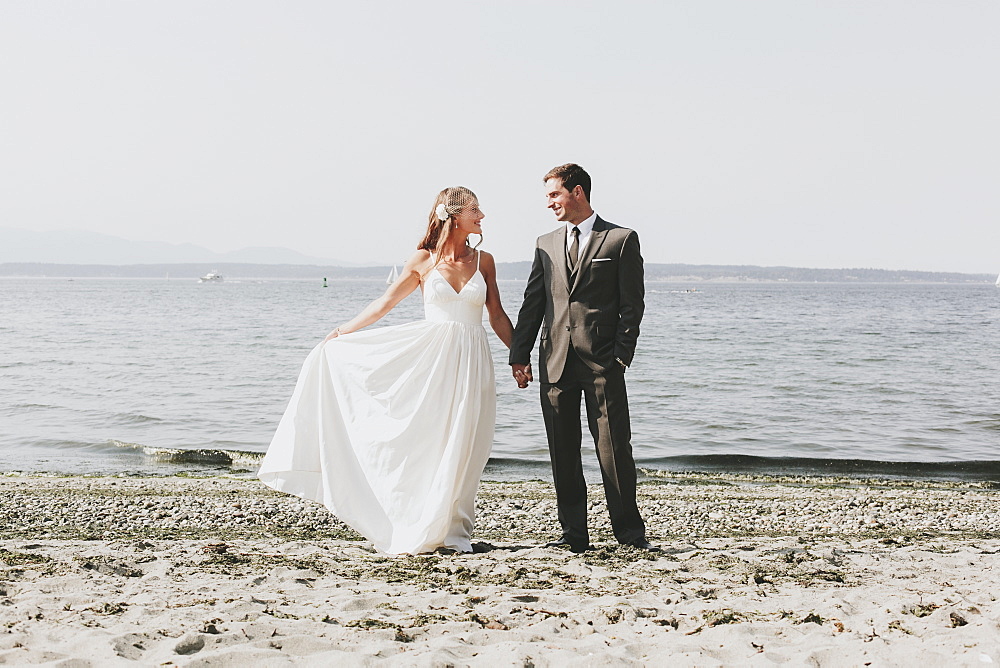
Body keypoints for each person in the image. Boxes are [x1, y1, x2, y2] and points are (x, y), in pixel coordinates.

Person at [259, 187, 516, 555]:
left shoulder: (484, 261)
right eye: (475, 209)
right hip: (433, 364)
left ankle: (455, 530)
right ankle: (418, 520)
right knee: (431, 441)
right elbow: (385, 303)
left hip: (474, 361)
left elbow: (496, 316)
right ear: (455, 216)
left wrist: (520, 356)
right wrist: (343, 331)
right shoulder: (422, 261)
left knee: (469, 445)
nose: (482, 216)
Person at [509, 163, 656, 553]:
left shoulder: (620, 239)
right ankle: (574, 536)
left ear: (577, 192)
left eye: (554, 195)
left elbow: (632, 304)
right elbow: (533, 302)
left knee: (614, 450)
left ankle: (629, 534)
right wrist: (518, 354)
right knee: (563, 452)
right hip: (554, 361)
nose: (549, 203)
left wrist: (621, 357)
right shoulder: (544, 243)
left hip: (603, 365)